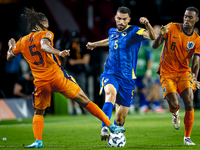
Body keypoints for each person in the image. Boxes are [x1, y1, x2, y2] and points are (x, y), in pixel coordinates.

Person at [7, 8, 125, 148]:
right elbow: (44, 46)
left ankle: (38, 141)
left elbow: (9, 57)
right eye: (47, 23)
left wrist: (11, 46)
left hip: (40, 82)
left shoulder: (22, 41)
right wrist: (59, 52)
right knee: (85, 101)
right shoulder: (46, 33)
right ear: (41, 23)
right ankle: (111, 127)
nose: (48, 25)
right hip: (57, 77)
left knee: (38, 112)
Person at [86, 6, 156, 141]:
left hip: (128, 79)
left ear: (129, 19)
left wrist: (147, 24)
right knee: (110, 94)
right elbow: (110, 40)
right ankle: (105, 127)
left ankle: (113, 128)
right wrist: (95, 44)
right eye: (119, 18)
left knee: (120, 120)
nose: (121, 22)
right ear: (115, 18)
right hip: (110, 73)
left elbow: (152, 36)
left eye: (124, 19)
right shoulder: (112, 31)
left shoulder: (135, 31)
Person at [152, 7, 200, 145]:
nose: (187, 19)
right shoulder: (171, 27)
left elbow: (196, 63)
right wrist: (160, 35)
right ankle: (175, 112)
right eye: (185, 16)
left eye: (190, 17)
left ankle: (187, 138)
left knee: (189, 101)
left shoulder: (197, 40)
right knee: (174, 103)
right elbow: (155, 46)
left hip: (184, 72)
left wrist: (195, 78)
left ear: (196, 20)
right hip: (167, 72)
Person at [66, 30, 90, 115]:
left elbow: (86, 60)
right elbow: (67, 60)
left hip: (81, 71)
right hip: (71, 71)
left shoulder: (83, 45)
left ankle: (85, 109)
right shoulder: (69, 45)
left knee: (83, 91)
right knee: (71, 91)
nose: (74, 40)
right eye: (73, 38)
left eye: (76, 38)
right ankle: (74, 110)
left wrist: (74, 62)